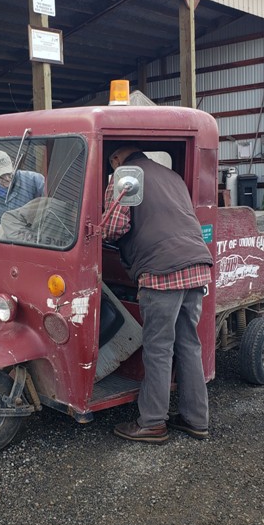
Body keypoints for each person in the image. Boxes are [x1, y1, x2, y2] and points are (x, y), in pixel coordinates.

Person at [102, 146, 213, 443]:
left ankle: (152, 422)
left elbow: (113, 228)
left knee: (159, 347)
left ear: (115, 159)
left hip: (162, 270)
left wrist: (93, 228)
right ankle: (195, 419)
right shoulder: (171, 176)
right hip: (197, 264)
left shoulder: (125, 175)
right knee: (188, 344)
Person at [0, 150, 45, 234]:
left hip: (27, 239)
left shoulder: (34, 180)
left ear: (12, 165)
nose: (7, 179)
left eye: (9, 173)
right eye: (1, 177)